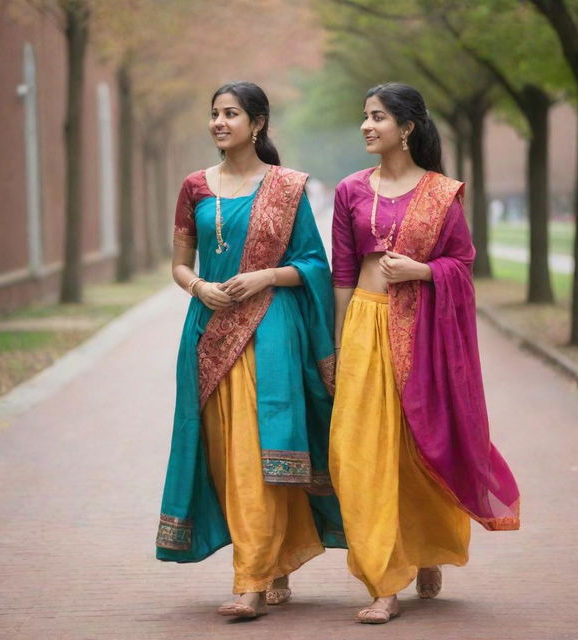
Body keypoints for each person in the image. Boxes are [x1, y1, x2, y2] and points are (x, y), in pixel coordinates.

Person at [329, 82, 520, 624]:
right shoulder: (350, 190)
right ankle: (384, 579)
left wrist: (421, 271)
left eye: (378, 118)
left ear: (406, 127)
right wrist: (338, 344)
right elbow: (343, 273)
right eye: (364, 117)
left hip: (423, 333)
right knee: (357, 450)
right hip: (365, 323)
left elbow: (462, 263)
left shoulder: (441, 193)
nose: (367, 126)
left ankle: (427, 547)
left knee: (419, 443)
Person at [155, 81, 343, 620]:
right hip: (208, 331)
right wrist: (198, 287)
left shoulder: (286, 188)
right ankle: (272, 561)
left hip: (271, 332)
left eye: (231, 113)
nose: (219, 122)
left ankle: (253, 580)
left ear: (257, 123)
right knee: (225, 452)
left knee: (264, 453)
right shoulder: (195, 186)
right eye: (214, 113)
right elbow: (180, 264)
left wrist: (265, 276)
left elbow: (314, 264)